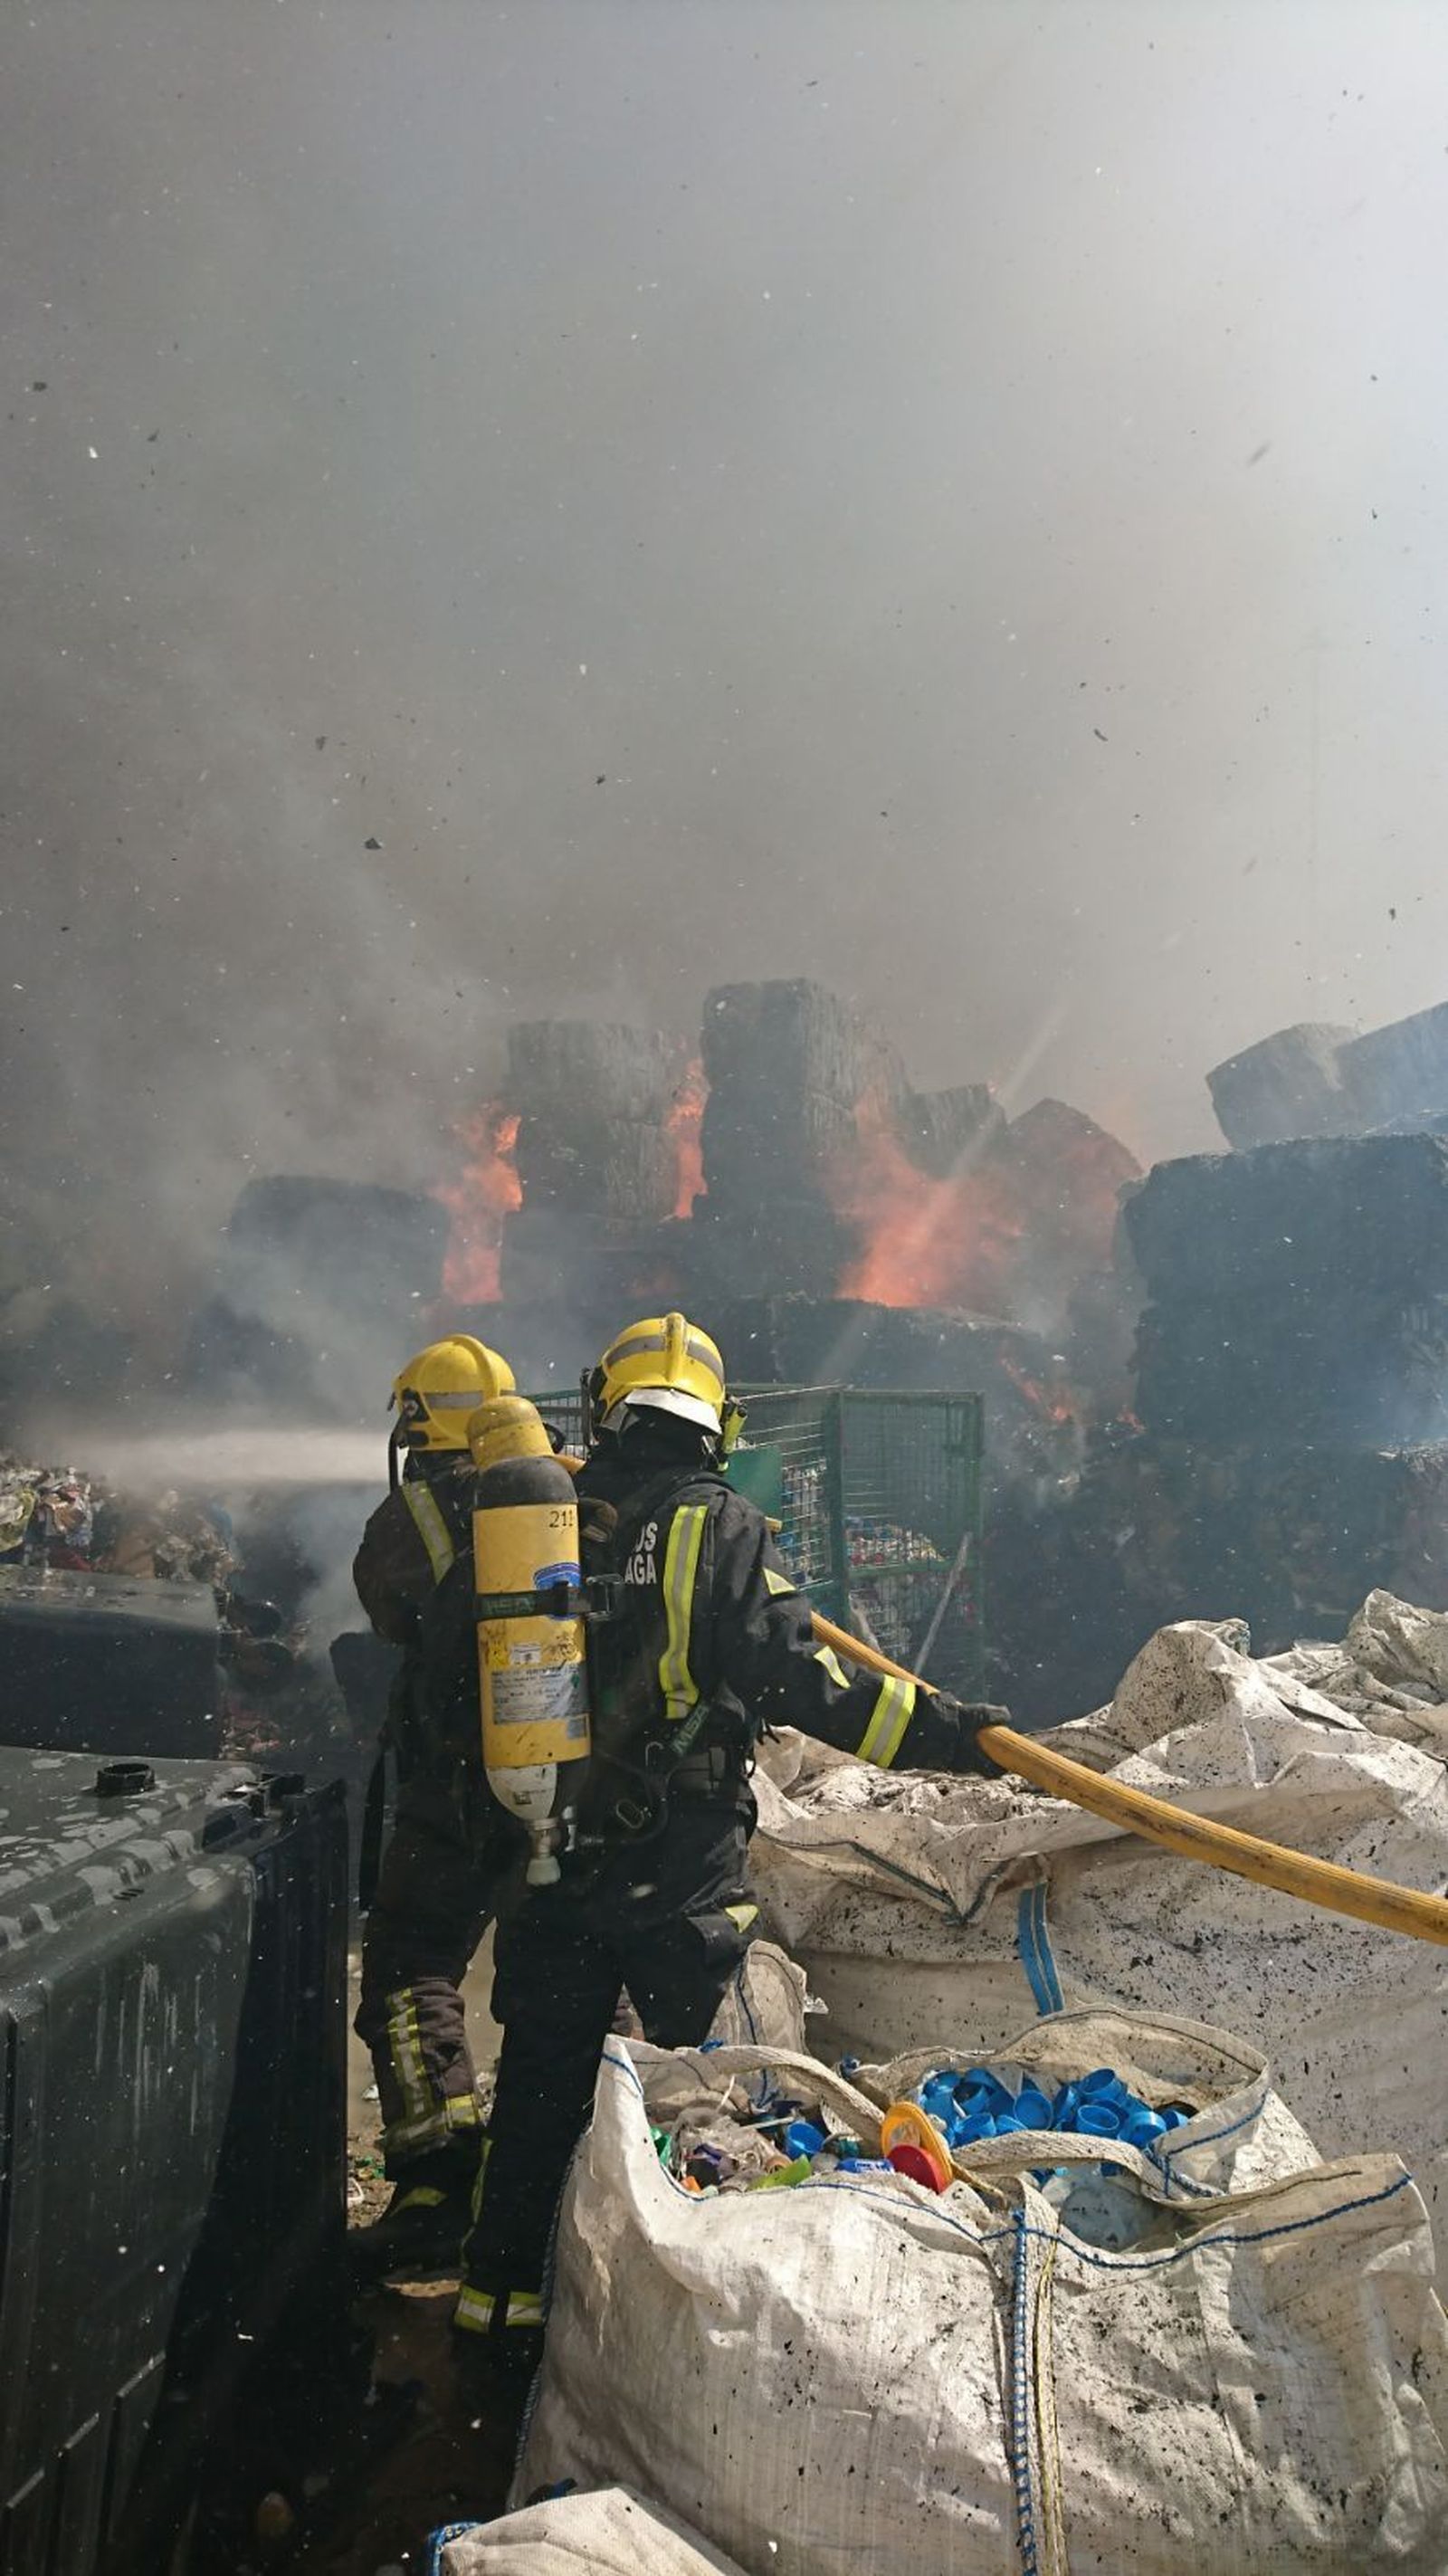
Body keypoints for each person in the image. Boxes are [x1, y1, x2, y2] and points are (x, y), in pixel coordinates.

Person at [452, 1311, 1008, 2389]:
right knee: (699, 2091)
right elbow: (810, 1685)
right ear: (718, 1424)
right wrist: (955, 1734)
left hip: (548, 1856)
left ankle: (496, 2320)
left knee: (536, 2092)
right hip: (677, 1870)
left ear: (605, 1403)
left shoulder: (542, 1517)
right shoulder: (720, 1527)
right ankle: (684, 2351)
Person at [349, 1332, 519, 2276]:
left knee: (413, 1968)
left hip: (452, 1792)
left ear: (419, 1422)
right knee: (568, 1972)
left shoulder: (409, 1514)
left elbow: (388, 1613)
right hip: (561, 1786)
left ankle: (433, 2182)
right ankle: (570, 2152)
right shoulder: (559, 1501)